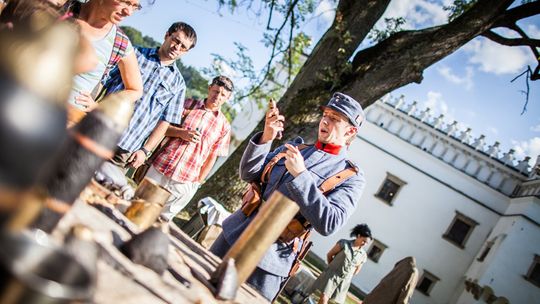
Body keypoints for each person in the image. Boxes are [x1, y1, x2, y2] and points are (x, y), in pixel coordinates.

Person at [210, 92, 367, 300]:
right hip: (234, 234)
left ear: (350, 131)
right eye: (326, 114)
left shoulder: (351, 177)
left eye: (335, 119)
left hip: (271, 259)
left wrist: (301, 176)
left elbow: (330, 223)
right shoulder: (295, 147)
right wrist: (266, 137)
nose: (326, 120)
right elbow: (248, 173)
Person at [104, 21, 197, 169]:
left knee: (102, 189)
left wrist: (145, 150)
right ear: (167, 35)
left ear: (186, 52)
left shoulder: (178, 84)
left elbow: (165, 122)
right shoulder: (134, 54)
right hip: (100, 127)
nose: (177, 48)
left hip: (126, 148)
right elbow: (104, 81)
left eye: (183, 47)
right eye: (176, 40)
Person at [145, 76, 234, 221]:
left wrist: (197, 183)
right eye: (216, 91)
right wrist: (181, 133)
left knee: (161, 220)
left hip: (185, 180)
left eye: (222, 95)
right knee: (138, 203)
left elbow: (213, 157)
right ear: (209, 88)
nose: (217, 96)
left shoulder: (224, 126)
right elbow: (161, 128)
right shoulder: (187, 104)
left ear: (227, 98)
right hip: (161, 166)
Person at [65, 0, 143, 126]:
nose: (128, 12)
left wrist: (100, 106)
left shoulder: (120, 43)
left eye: (135, 7)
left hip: (68, 123)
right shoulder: (62, 9)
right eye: (125, 1)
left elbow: (136, 90)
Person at [307, 224, 372, 304]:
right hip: (332, 276)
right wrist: (333, 267)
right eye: (364, 241)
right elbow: (330, 255)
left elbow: (357, 270)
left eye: (366, 243)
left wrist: (348, 273)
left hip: (344, 281)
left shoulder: (363, 255)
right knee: (324, 297)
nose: (364, 244)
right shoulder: (344, 243)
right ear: (358, 236)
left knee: (332, 301)